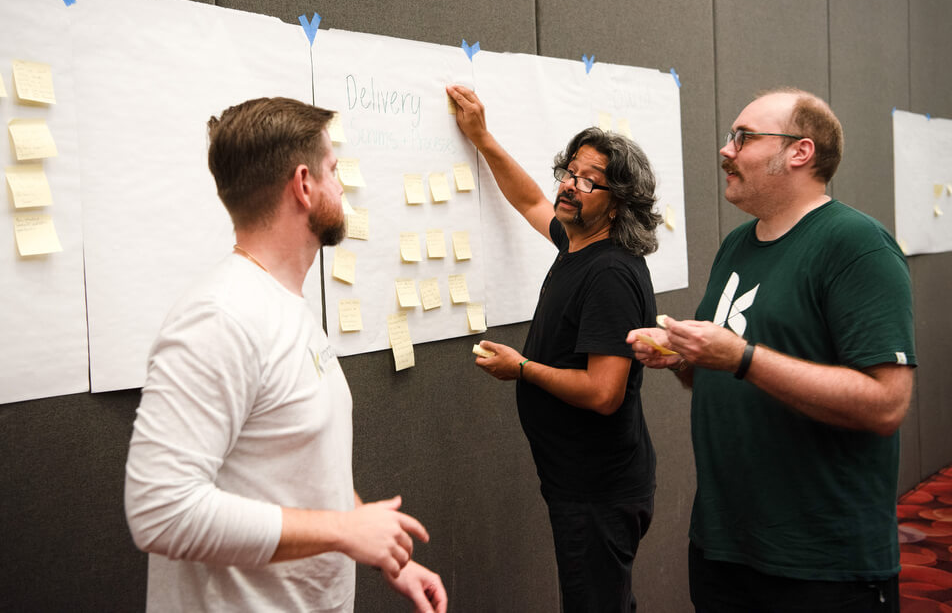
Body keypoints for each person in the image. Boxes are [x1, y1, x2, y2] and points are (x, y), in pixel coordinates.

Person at [124, 97, 447, 613]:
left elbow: (300, 472)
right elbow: (160, 512)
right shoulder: (219, 319)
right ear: (303, 185)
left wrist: (388, 554)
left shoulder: (284, 304)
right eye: (333, 171)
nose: (341, 187)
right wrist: (344, 530)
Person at [627, 88, 916, 612]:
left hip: (821, 562)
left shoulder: (857, 245)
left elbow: (886, 403)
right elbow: (722, 372)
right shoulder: (737, 245)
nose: (725, 150)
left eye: (744, 137)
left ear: (799, 152)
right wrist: (686, 360)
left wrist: (741, 357)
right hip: (725, 547)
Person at [447, 85, 662, 613]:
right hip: (581, 481)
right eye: (570, 171)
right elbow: (528, 200)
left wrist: (522, 368)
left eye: (590, 182)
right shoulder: (578, 243)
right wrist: (482, 137)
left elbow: (604, 392)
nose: (571, 186)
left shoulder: (610, 274)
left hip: (598, 491)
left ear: (618, 205)